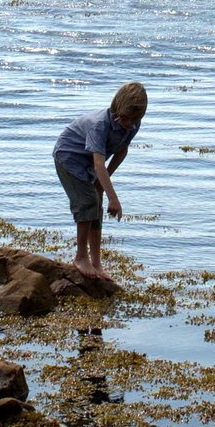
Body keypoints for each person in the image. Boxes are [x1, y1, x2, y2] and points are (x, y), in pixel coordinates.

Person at [53, 81, 145, 290]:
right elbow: (98, 162)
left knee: (97, 206)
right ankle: (80, 257)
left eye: (134, 120)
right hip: (69, 158)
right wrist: (113, 197)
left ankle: (96, 262)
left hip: (92, 162)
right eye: (125, 118)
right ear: (117, 109)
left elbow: (122, 150)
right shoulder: (99, 125)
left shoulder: (133, 124)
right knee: (87, 203)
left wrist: (102, 185)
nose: (129, 124)